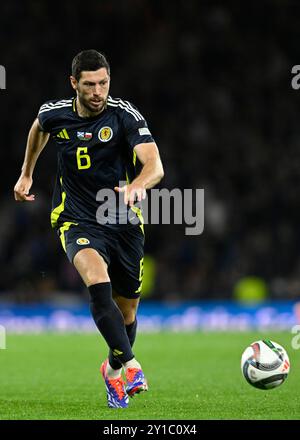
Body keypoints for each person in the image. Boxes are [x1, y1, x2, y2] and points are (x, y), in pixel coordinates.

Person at [14, 49, 164, 409]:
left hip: (122, 218)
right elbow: (39, 129)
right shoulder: (55, 114)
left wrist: (137, 185)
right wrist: (27, 172)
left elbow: (154, 165)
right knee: (97, 280)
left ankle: (111, 370)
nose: (98, 91)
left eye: (103, 83)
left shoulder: (124, 115)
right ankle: (130, 365)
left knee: (127, 313)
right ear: (74, 84)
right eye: (89, 85)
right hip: (76, 217)